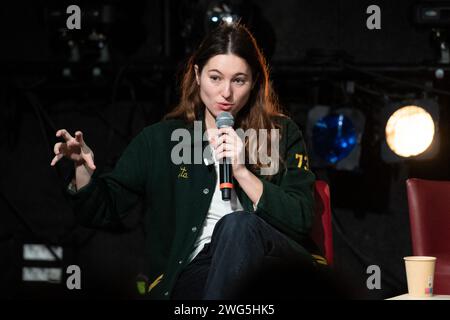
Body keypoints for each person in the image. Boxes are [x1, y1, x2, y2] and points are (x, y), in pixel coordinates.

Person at [50, 22, 324, 300]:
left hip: (272, 265)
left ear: (254, 81)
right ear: (197, 74)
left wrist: (241, 171)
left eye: (238, 80)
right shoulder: (161, 140)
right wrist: (82, 169)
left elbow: (300, 218)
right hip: (196, 269)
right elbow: (100, 210)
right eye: (215, 78)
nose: (226, 93)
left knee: (237, 225)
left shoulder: (280, 133)